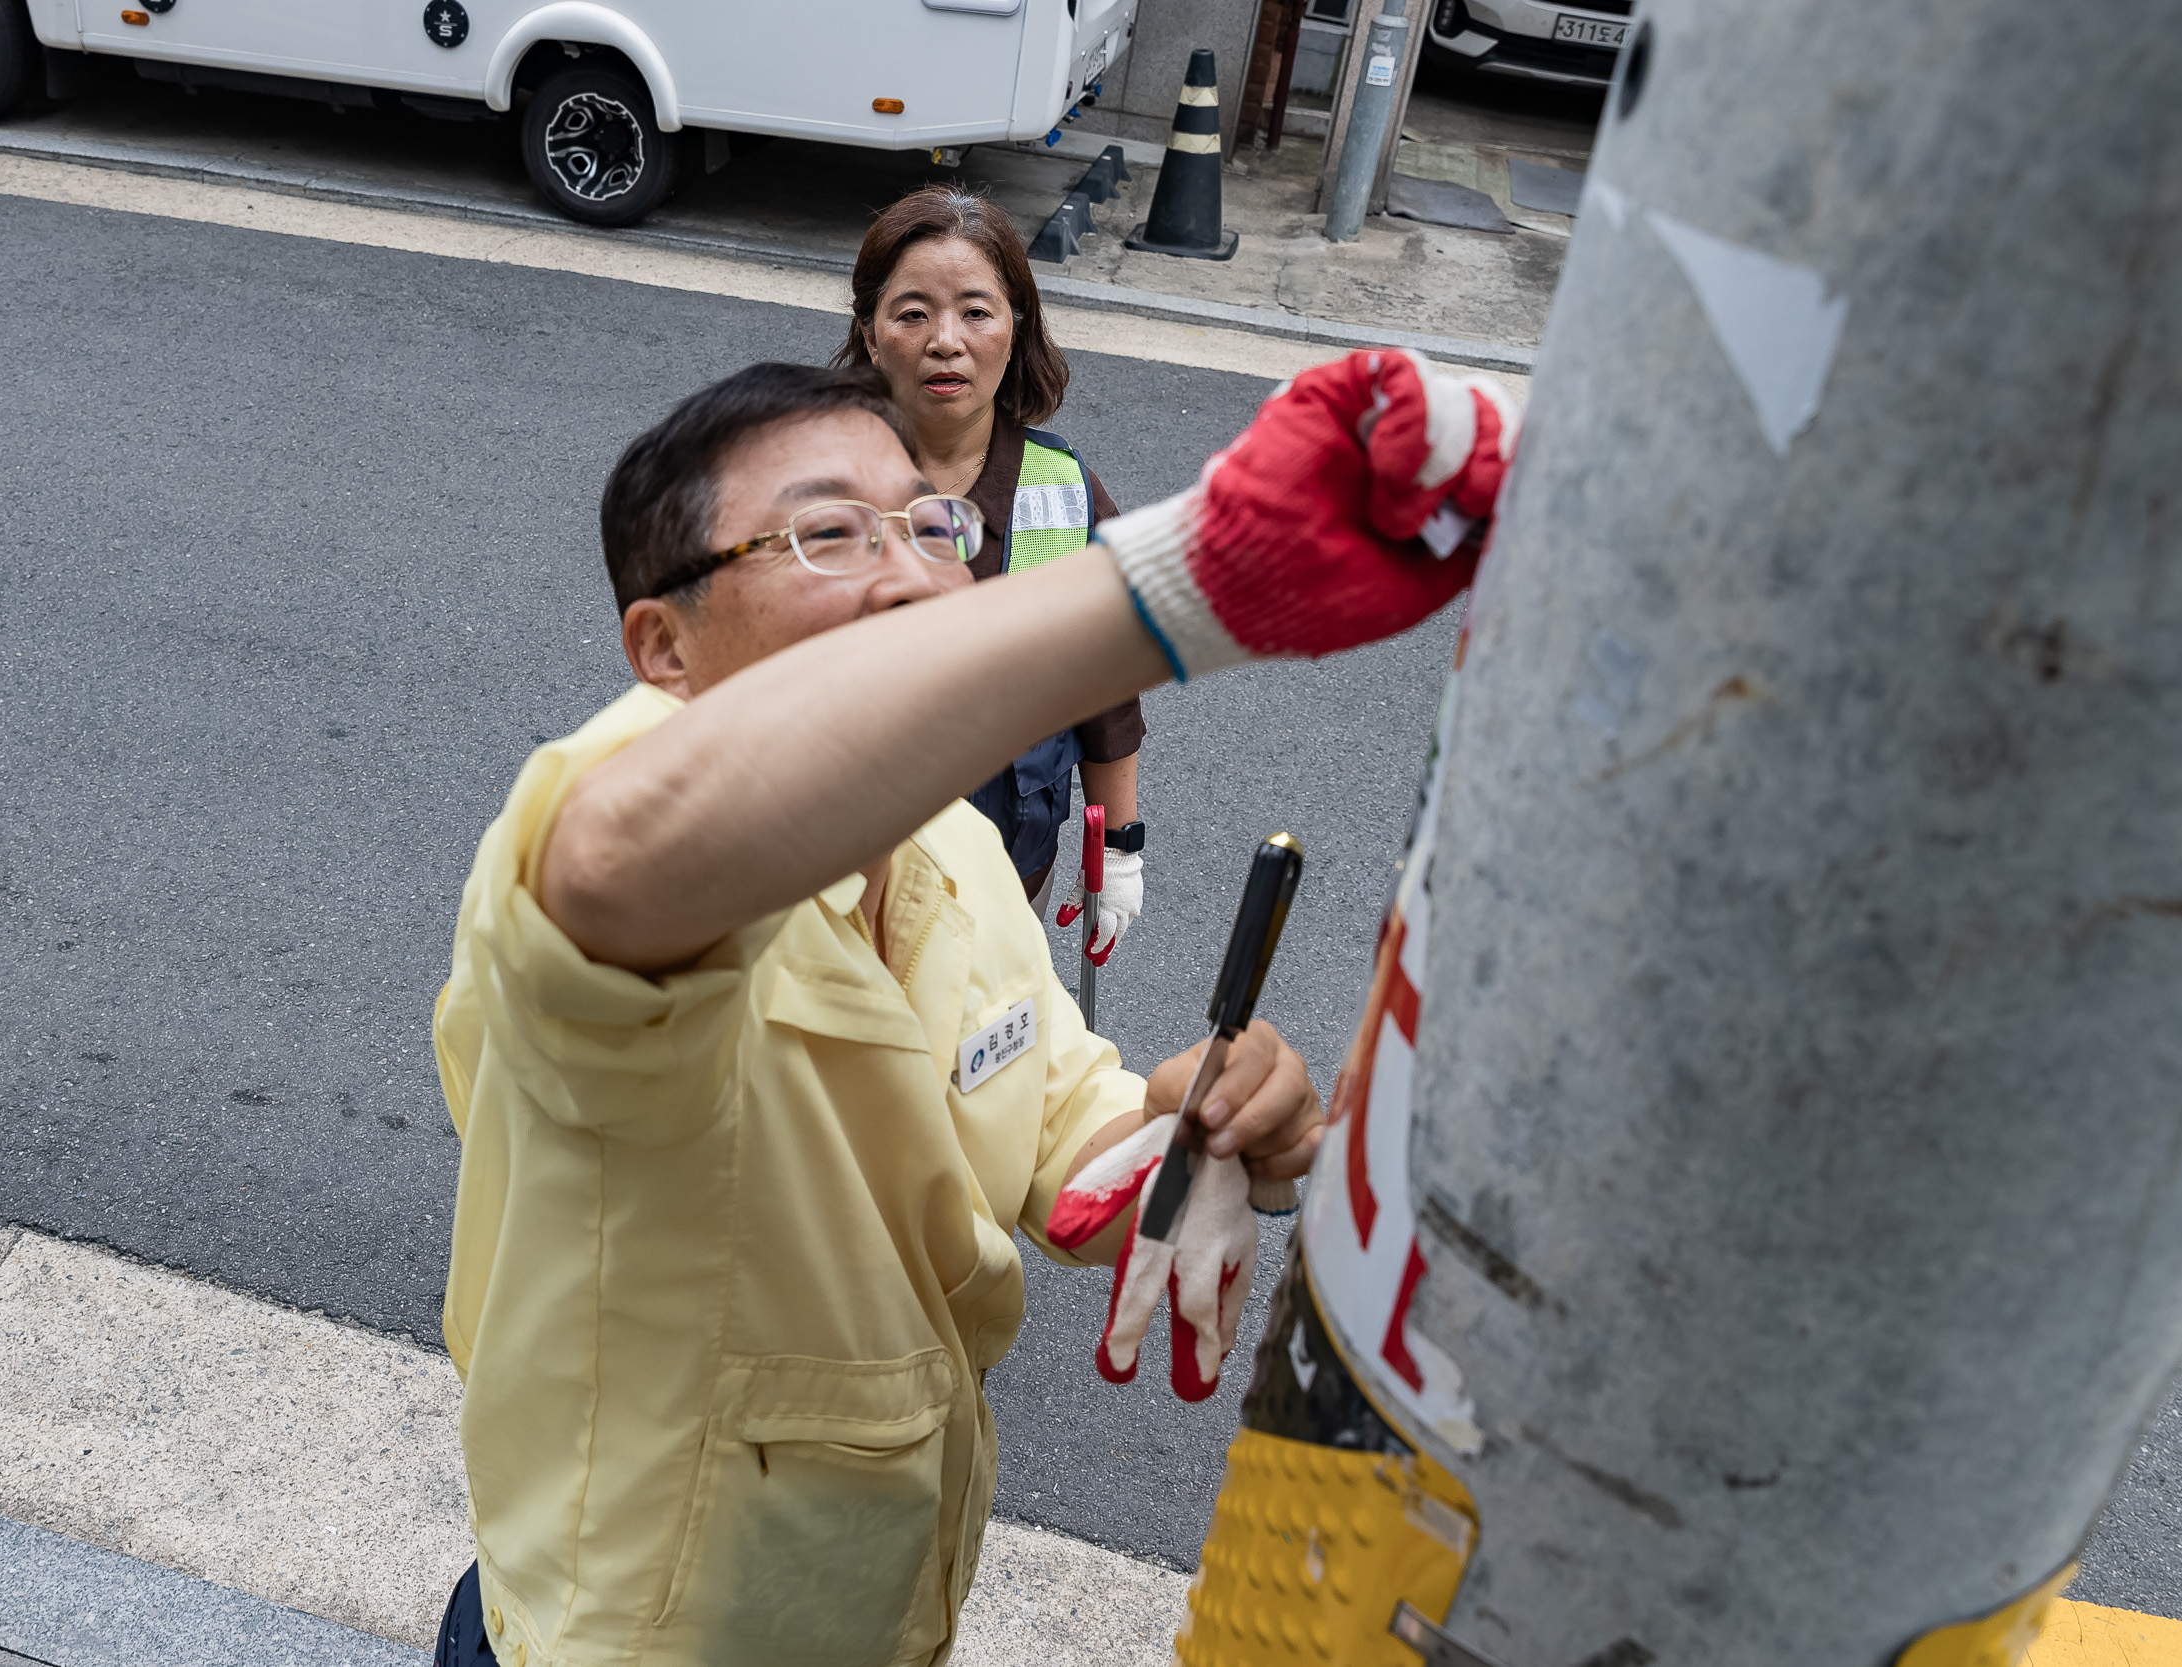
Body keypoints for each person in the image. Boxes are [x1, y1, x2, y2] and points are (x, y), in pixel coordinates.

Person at [429, 349, 1515, 1666]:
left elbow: (1048, 1100)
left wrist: (1196, 1117)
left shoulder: (951, 841)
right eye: (828, 532)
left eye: (935, 526)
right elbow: (610, 864)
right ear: (663, 644)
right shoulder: (604, 848)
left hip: (870, 1608)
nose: (911, 571)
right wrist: (1183, 583)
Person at [837, 186, 1147, 965]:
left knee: (980, 1065)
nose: (946, 341)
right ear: (871, 336)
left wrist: (1121, 848)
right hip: (835, 872)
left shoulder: (1065, 491)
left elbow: (1107, 689)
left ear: (1016, 328)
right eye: (912, 313)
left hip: (1011, 873)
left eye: (976, 311)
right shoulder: (814, 478)